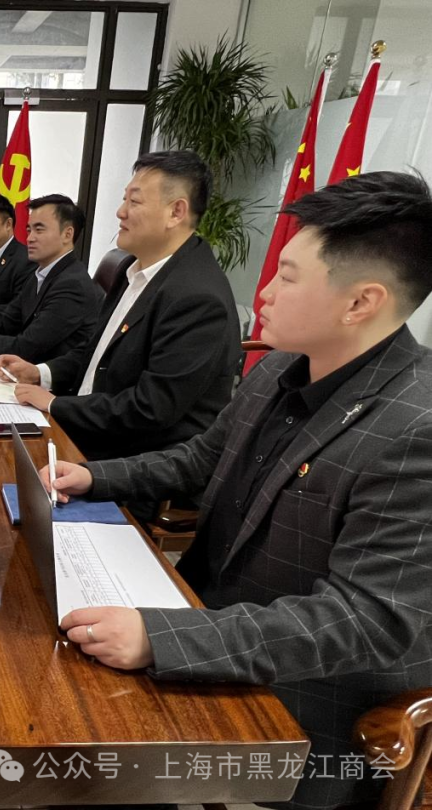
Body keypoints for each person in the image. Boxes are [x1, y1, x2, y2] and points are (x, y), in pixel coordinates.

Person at [43, 171, 432, 810]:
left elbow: (364, 620)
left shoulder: (415, 427)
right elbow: (202, 457)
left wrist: (164, 639)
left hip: (310, 700)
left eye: (287, 276)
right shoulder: (280, 367)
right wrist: (93, 476)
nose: (263, 292)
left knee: (78, 750)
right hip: (207, 615)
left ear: (361, 303)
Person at [0, 151, 240, 471]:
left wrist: (56, 404)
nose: (120, 212)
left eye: (134, 201)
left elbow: (150, 409)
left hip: (126, 463)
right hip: (82, 428)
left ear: (176, 212)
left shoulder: (197, 298)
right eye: (124, 199)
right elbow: (96, 352)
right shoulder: (131, 269)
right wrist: (40, 372)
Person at [0, 194, 102, 364]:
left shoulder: (72, 284)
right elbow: (6, 320)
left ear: (67, 234)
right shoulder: (41, 274)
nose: (30, 238)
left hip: (43, 375)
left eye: (39, 230)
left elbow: (26, 347)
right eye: (29, 230)